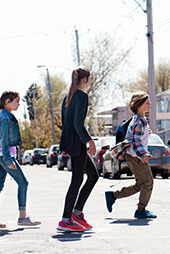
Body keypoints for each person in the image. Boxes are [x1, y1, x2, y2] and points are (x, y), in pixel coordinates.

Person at [0, 91, 41, 229]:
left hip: (0, 155)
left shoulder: (6, 116)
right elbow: (3, 140)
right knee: (23, 183)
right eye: (16, 101)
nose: (19, 104)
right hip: (4, 156)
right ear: (7, 102)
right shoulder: (4, 118)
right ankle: (22, 217)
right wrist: (9, 160)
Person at [57, 66, 99, 232]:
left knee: (93, 175)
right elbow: (77, 124)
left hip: (71, 142)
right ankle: (66, 219)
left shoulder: (68, 97)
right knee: (77, 180)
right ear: (85, 80)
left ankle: (76, 213)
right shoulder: (81, 95)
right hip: (77, 143)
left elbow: (65, 122)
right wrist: (90, 141)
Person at [105, 91, 157, 219]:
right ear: (139, 105)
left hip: (132, 156)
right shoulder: (139, 121)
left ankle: (113, 196)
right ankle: (141, 210)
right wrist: (143, 154)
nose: (150, 104)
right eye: (147, 102)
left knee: (140, 184)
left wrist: (146, 133)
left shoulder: (139, 120)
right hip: (136, 156)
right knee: (148, 182)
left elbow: (136, 136)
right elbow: (136, 141)